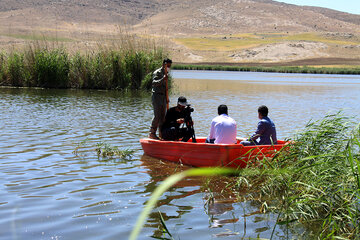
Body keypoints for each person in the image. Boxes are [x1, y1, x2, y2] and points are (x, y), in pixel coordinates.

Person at [148, 58, 172, 139]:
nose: (168, 67)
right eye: (167, 66)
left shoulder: (167, 72)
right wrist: (163, 79)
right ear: (163, 65)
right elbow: (154, 83)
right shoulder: (157, 72)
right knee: (157, 116)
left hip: (163, 97)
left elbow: (165, 87)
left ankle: (161, 134)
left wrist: (167, 98)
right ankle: (152, 133)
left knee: (163, 117)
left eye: (169, 66)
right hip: (157, 96)